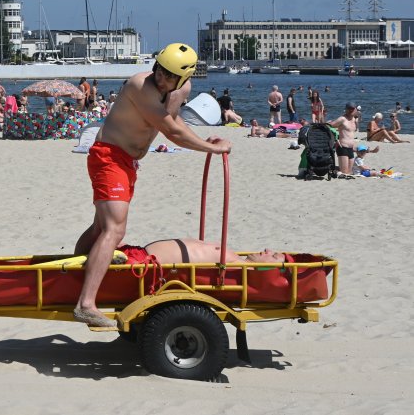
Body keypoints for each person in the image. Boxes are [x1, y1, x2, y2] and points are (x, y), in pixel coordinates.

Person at [72, 43, 231, 328]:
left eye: (170, 76)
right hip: (109, 156)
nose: (161, 78)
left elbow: (176, 120)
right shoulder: (139, 85)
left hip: (127, 163)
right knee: (114, 229)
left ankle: (72, 277)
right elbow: (170, 131)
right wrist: (211, 149)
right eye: (160, 70)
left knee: (100, 228)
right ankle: (85, 304)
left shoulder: (181, 89)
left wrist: (206, 141)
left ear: (183, 79)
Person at [142, 238, 288, 265]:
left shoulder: (240, 267)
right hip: (144, 256)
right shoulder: (238, 261)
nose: (267, 250)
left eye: (273, 255)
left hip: (146, 262)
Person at [328, 103, 359, 177]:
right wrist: (336, 138)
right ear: (346, 109)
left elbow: (351, 133)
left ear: (355, 110)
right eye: (349, 108)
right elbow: (329, 126)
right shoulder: (342, 119)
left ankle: (331, 168)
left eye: (352, 108)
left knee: (349, 172)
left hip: (351, 148)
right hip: (342, 147)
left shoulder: (354, 119)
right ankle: (329, 169)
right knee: (344, 172)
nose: (351, 110)